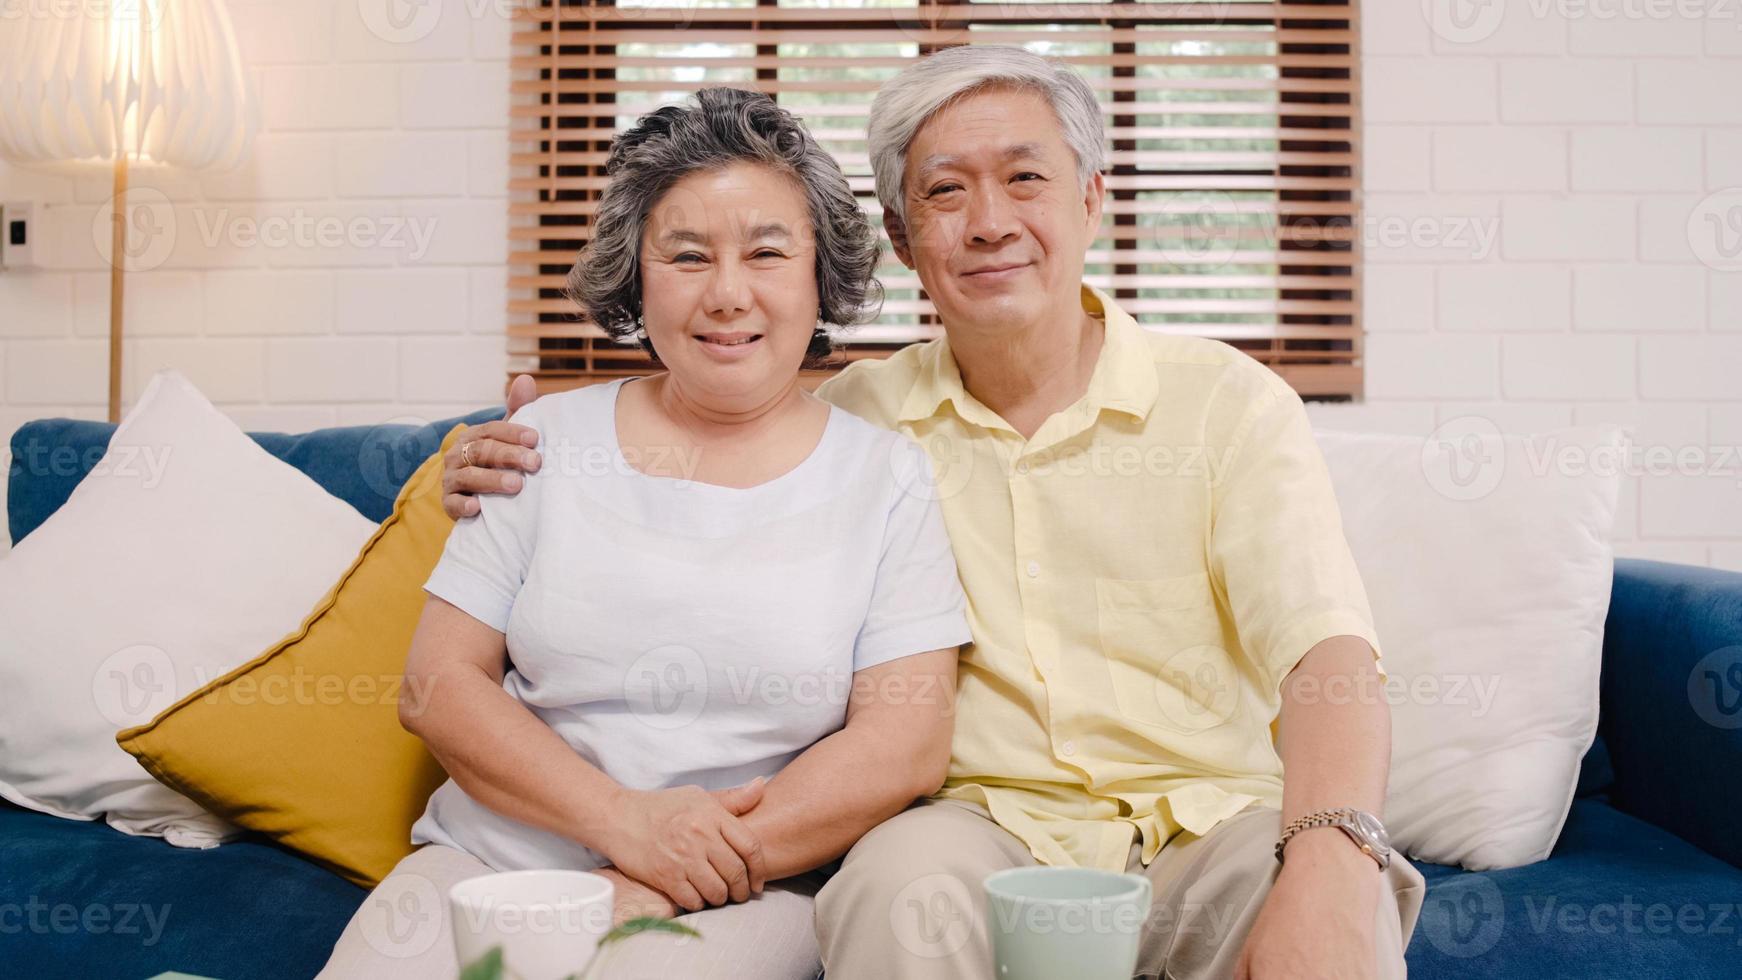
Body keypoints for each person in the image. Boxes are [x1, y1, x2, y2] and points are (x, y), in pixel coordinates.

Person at [448, 47, 1426, 980]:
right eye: (946, 191)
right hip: (969, 827)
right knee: (895, 884)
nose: (988, 220)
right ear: (904, 239)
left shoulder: (1226, 400)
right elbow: (703, 408)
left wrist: (1337, 851)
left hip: (1208, 821)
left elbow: (1326, 658)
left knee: (1313, 896)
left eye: (1024, 180)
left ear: (1093, 200)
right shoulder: (853, 422)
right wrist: (515, 452)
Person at [318, 87, 970, 980]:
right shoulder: (539, 444)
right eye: (688, 255)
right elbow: (437, 686)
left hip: (748, 886)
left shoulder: (886, 476)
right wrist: (624, 823)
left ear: (821, 275)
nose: (728, 294)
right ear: (636, 274)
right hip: (491, 863)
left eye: (768, 253)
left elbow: (904, 741)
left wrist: (676, 867)